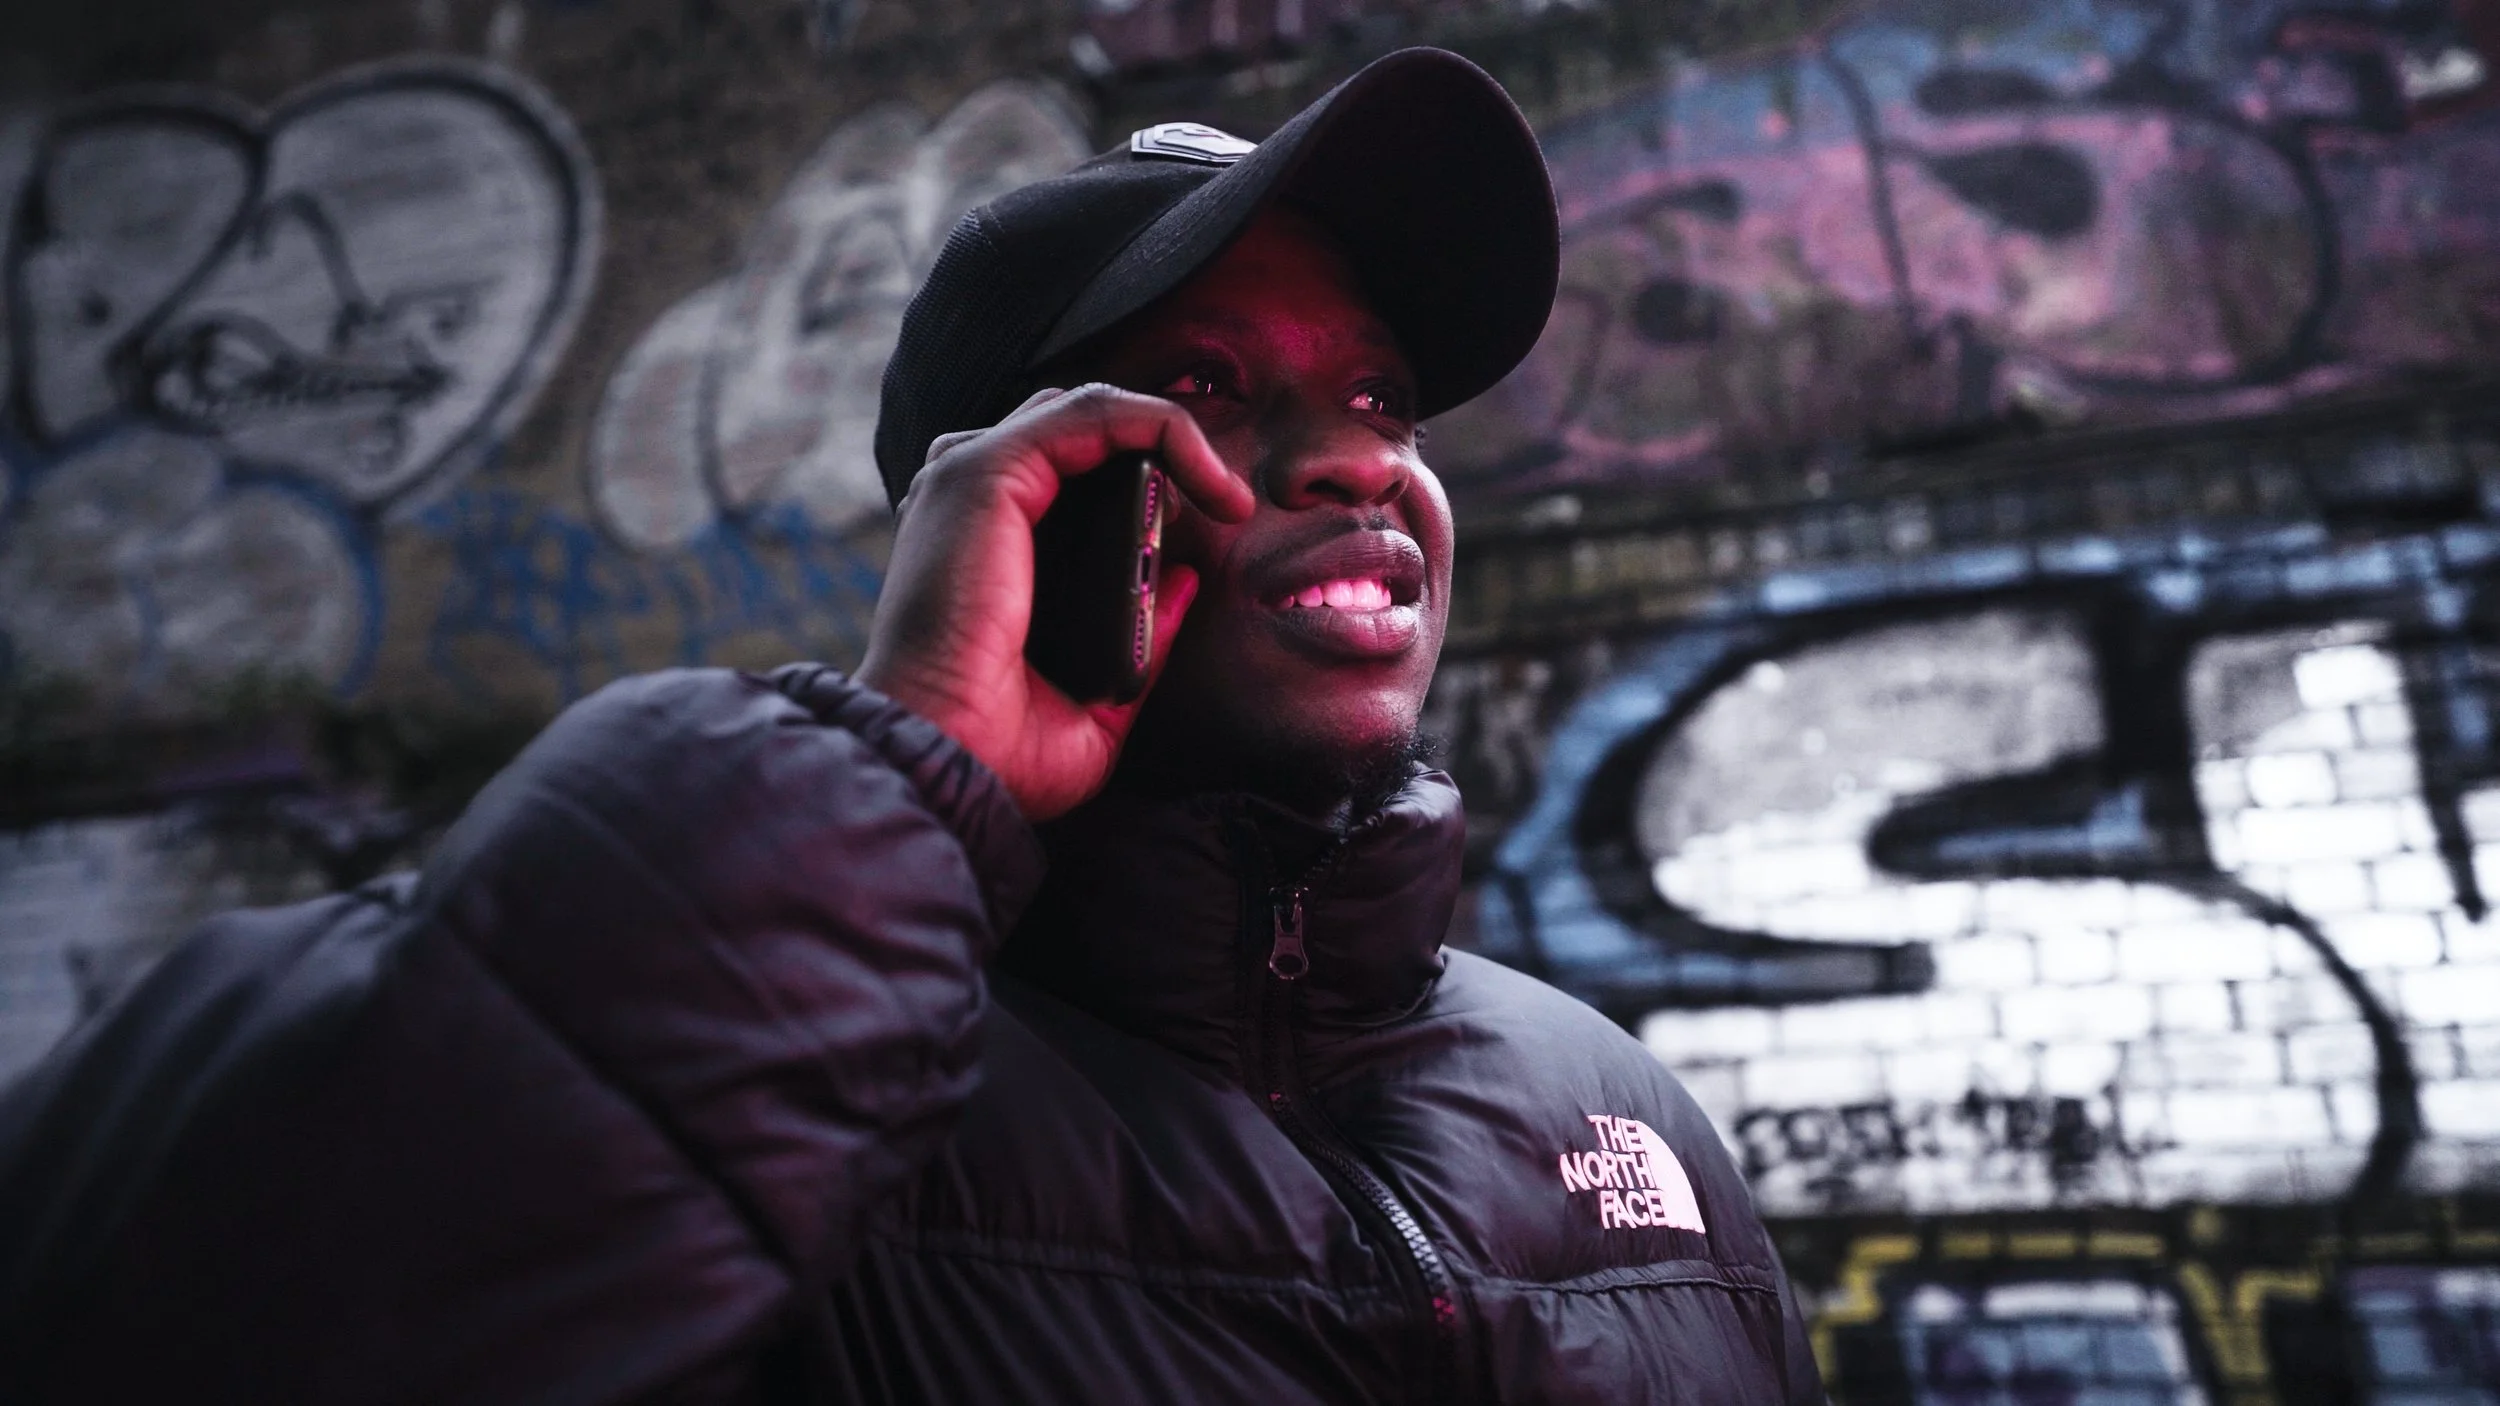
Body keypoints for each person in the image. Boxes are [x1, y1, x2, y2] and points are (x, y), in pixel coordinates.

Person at [0, 49, 1825, 1404]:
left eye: (1383, 398)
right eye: (1207, 383)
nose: (1356, 456)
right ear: (1016, 494)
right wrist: (896, 760)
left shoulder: (1622, 1119)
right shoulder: (757, 1057)